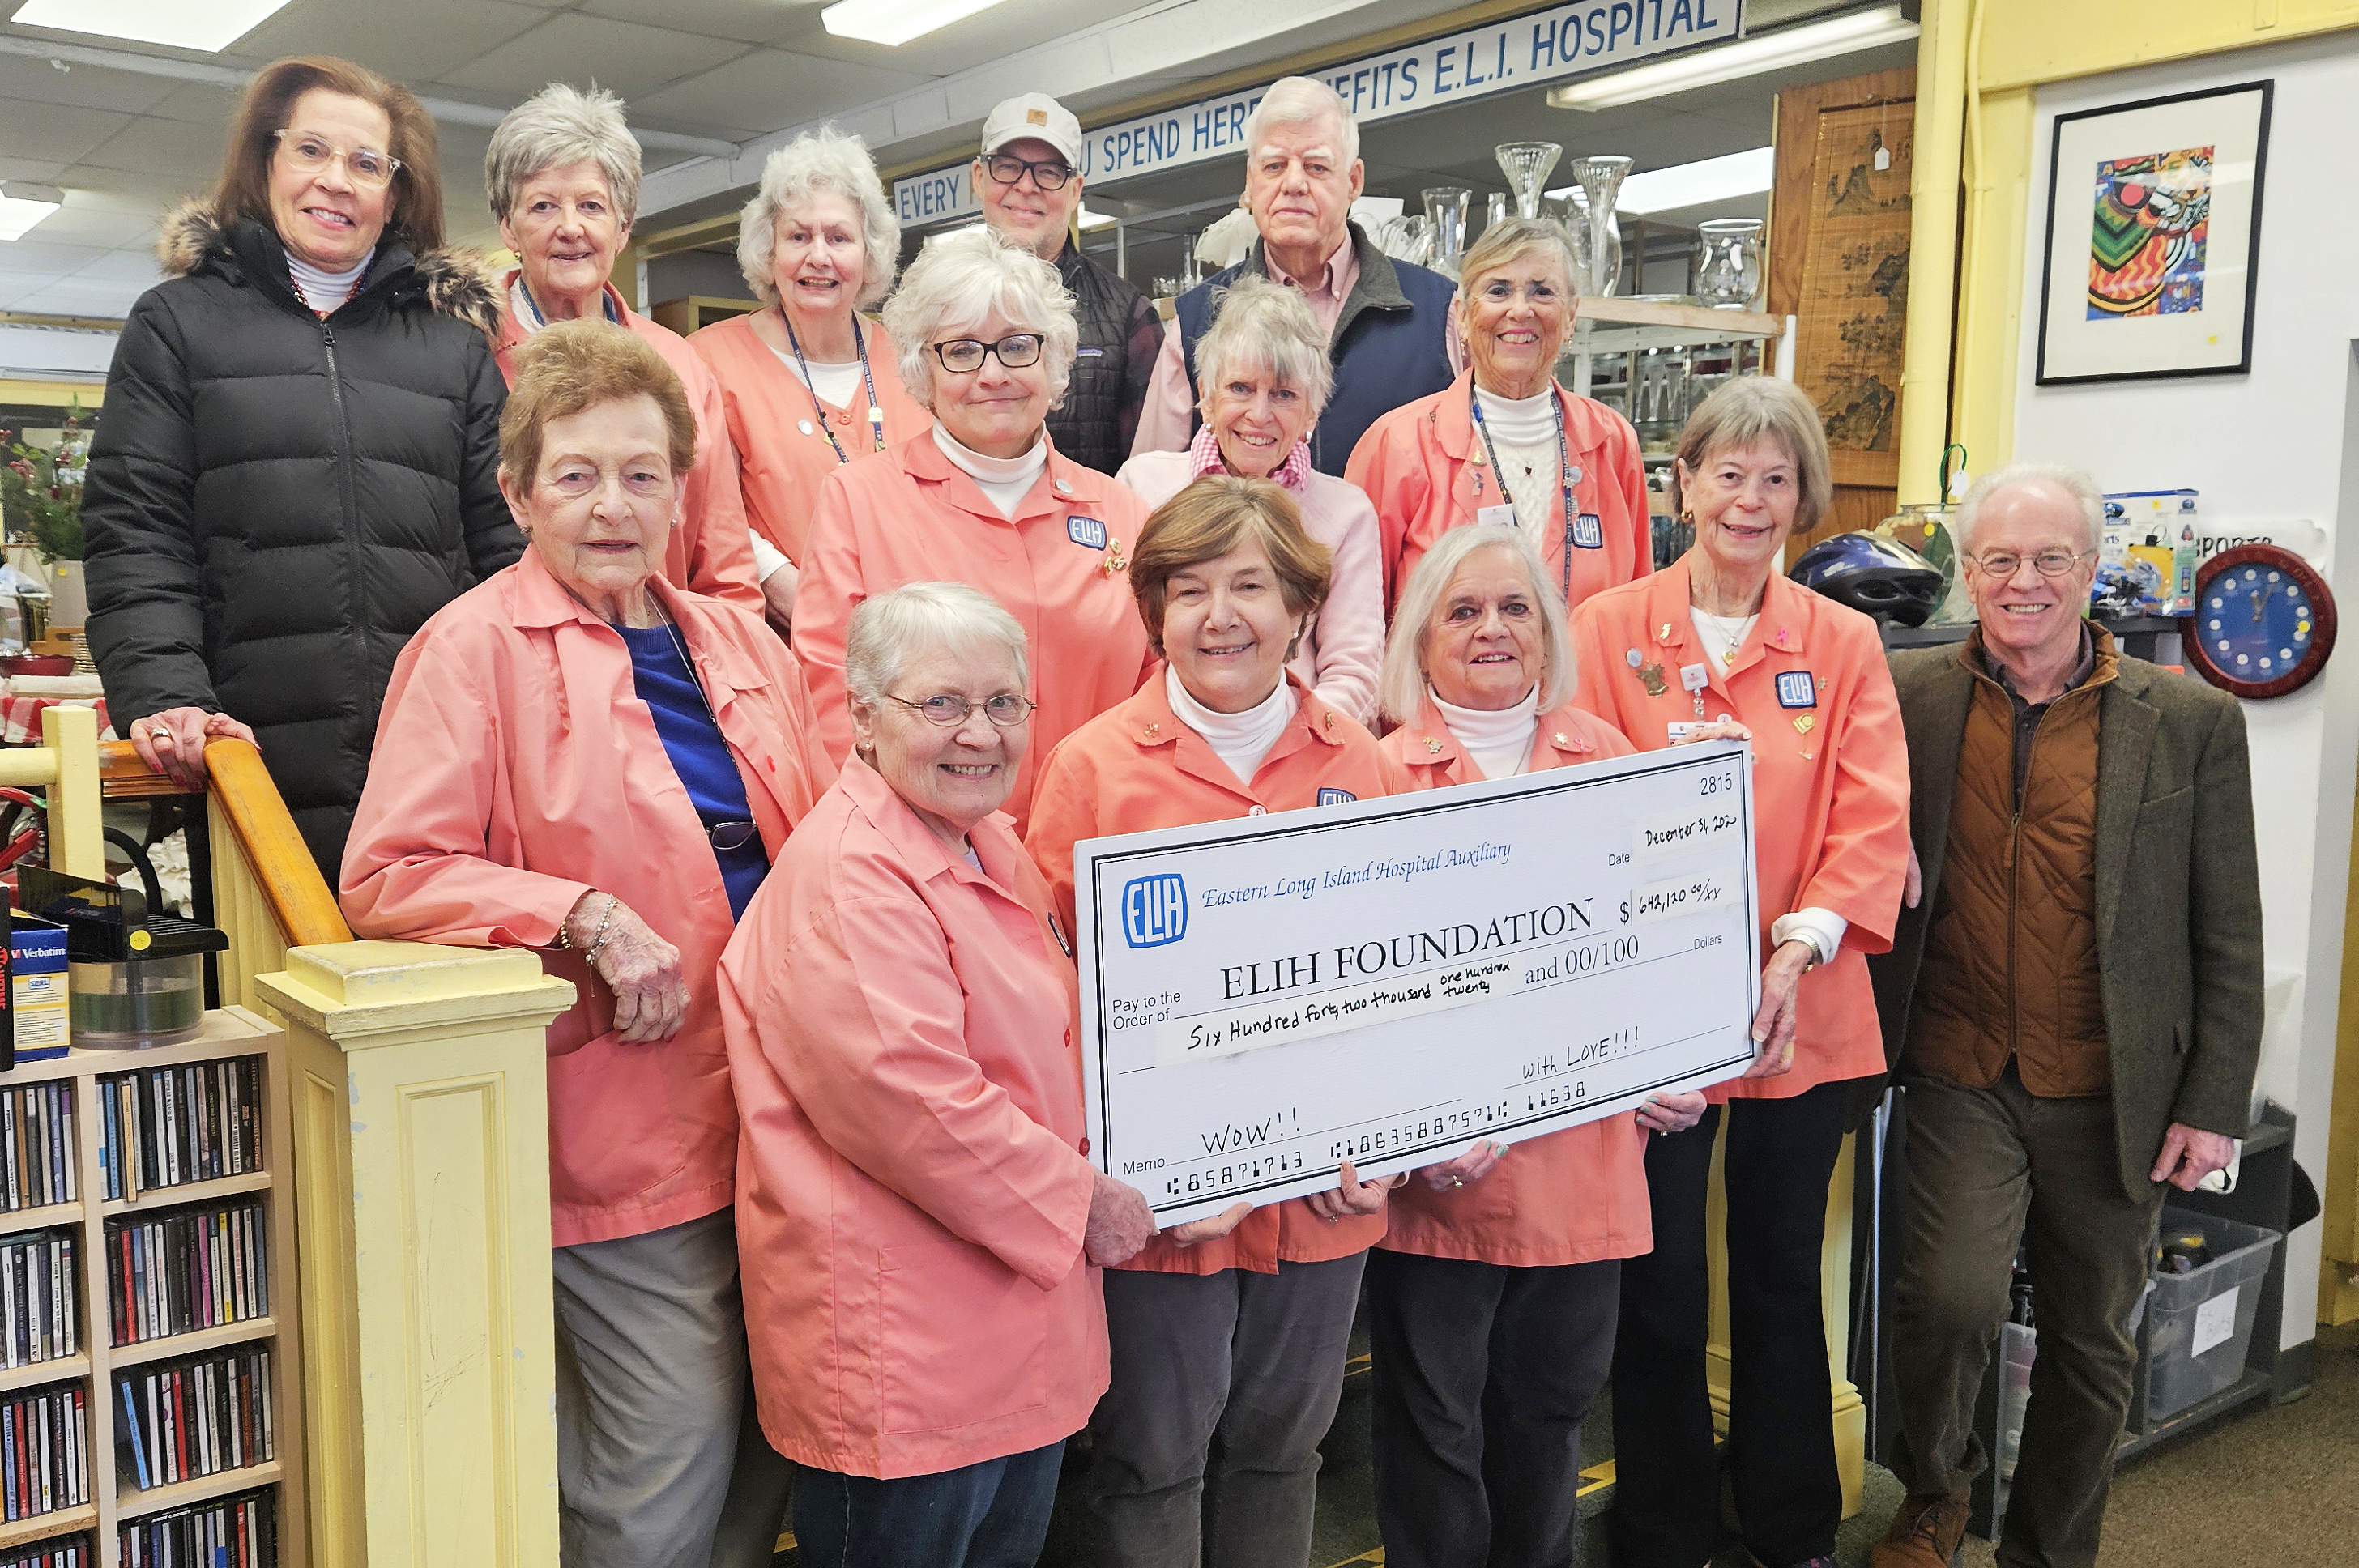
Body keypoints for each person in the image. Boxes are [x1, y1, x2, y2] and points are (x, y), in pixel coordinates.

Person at [340, 322, 834, 1567]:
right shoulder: (468, 651)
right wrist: (583, 914)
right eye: (577, 475)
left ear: (681, 491)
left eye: (641, 474)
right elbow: (389, 874)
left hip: (784, 1116)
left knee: (775, 1440)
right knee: (659, 1467)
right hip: (620, 1131)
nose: (613, 505)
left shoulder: (738, 640)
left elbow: (830, 840)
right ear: (518, 495)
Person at [1865, 464, 2263, 1568]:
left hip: (2114, 1084)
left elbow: (2230, 926)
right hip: (1958, 1066)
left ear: (2090, 570)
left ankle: (2049, 1547)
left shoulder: (2189, 720)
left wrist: (2212, 1103)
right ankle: (1938, 1490)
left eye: (2049, 558)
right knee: (1945, 1303)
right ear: (1968, 571)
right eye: (1998, 559)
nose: (2023, 581)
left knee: (2091, 1342)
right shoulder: (1909, 697)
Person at [718, 581, 1156, 1568]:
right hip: (908, 1358)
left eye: (1003, 703)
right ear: (863, 717)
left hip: (1010, 1337)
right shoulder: (851, 871)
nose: (980, 733)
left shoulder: (985, 838)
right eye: (942, 703)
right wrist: (1084, 1199)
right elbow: (915, 1102)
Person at [1025, 476, 1406, 1568]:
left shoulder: (1362, 765)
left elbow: (1407, 983)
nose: (1219, 615)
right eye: (1188, 591)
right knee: (1151, 1457)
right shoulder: (1090, 768)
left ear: (1300, 607)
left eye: (1249, 586)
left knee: (1285, 1450)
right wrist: (1126, 1173)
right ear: (1154, 614)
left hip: (1324, 1191)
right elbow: (1048, 999)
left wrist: (1386, 1139)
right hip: (1160, 1205)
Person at [1569, 377, 1911, 1568]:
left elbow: (1871, 817)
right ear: (1684, 484)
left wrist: (1795, 946)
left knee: (1777, 1276)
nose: (1750, 500)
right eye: (1728, 473)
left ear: (1802, 496)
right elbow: (1576, 803)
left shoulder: (1843, 641)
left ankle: (1791, 1525)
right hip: (1648, 1016)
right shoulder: (1604, 628)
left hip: (1801, 1004)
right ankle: (1661, 1531)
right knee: (1657, 1281)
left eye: (1776, 478)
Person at [82, 53, 519, 875]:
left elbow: (508, 544)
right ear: (266, 162)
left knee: (431, 961)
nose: (336, 181)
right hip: (247, 754)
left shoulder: (454, 349)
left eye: (367, 163)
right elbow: (136, 528)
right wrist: (166, 690)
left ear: (396, 193)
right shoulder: (177, 324)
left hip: (441, 757)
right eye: (311, 150)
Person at [1366, 522, 1707, 1568]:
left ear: (1549, 632)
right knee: (1434, 1427)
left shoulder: (1609, 759)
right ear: (1420, 638)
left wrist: (1677, 1061)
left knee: (1551, 1415)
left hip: (1581, 1165)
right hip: (1439, 1179)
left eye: (1515, 608)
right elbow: (1359, 995)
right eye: (1463, 611)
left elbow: (1661, 943)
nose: (1492, 629)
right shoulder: (1375, 775)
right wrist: (1414, 1123)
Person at [798, 225, 1152, 832]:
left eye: (1017, 345)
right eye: (962, 351)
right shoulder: (858, 501)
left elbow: (1154, 691)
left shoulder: (1123, 512)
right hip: (926, 848)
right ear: (924, 369)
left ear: (1054, 360)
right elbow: (833, 700)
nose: (993, 374)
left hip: (1100, 838)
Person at [485, 82, 761, 610]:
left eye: (592, 205)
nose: (570, 228)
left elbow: (725, 564)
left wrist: (722, 655)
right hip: (514, 646)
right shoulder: (465, 354)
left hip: (657, 645)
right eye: (543, 206)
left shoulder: (679, 363)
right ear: (508, 228)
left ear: (623, 228)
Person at [1130, 76, 1461, 475]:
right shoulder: (1198, 319)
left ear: (1354, 181)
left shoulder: (1435, 310)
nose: (1294, 184)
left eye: (1316, 167)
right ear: (1250, 182)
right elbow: (1153, 487)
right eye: (1274, 166)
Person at [689, 128, 931, 633]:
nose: (819, 256)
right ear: (769, 251)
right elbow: (707, 511)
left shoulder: (913, 358)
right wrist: (792, 592)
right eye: (798, 237)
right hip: (780, 638)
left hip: (912, 637)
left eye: (839, 238)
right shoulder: (709, 361)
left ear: (868, 254)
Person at [1349, 215, 1651, 615]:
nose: (1520, 310)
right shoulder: (1398, 444)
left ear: (1571, 317)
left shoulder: (1613, 442)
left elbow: (1639, 608)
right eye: (1498, 290)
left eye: (1542, 291)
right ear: (1462, 316)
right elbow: (1355, 618)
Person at [1116, 276, 1382, 723]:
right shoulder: (1142, 487)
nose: (1259, 415)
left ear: (1312, 411)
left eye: (1284, 394)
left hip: (1300, 742)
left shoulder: (1347, 512)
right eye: (1240, 388)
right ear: (1207, 395)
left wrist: (1286, 745)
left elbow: (1355, 671)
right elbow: (1126, 648)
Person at [973, 93, 1162, 475]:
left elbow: (1151, 476)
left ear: (1075, 190)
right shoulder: (934, 307)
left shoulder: (1131, 316)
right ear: (979, 177)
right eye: (1008, 167)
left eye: (1048, 172)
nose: (1026, 186)